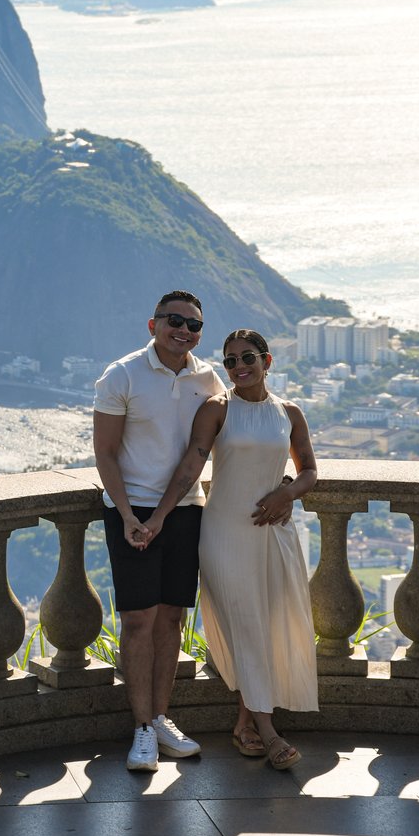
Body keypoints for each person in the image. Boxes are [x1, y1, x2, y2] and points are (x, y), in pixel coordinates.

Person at [144, 328, 319, 770]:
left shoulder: (290, 413)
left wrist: (287, 493)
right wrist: (159, 516)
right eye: (230, 361)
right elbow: (191, 466)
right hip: (224, 533)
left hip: (273, 532)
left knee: (266, 626)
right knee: (244, 626)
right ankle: (269, 732)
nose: (239, 367)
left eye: (248, 358)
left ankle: (244, 725)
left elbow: (310, 471)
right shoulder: (217, 409)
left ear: (267, 361)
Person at [93, 290, 226, 771]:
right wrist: (129, 516)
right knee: (137, 620)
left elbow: (205, 451)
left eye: (193, 325)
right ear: (153, 325)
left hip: (185, 511)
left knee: (171, 617)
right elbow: (105, 453)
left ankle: (163, 717)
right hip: (132, 510)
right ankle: (142, 728)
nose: (184, 331)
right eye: (175, 321)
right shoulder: (122, 374)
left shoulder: (207, 379)